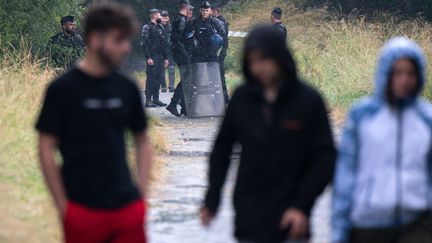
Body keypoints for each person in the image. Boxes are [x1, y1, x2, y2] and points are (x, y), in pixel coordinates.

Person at [200, 25, 336, 243]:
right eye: (252, 61)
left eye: (264, 60)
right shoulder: (242, 99)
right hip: (249, 216)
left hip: (292, 218)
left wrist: (302, 205)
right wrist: (212, 199)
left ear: (279, 57)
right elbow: (221, 150)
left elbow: (325, 157)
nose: (258, 68)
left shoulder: (308, 100)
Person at [36, 3, 152, 243]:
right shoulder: (61, 90)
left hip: (127, 209)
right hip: (81, 210)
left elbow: (143, 140)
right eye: (119, 40)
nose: (126, 48)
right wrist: (63, 206)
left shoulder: (127, 88)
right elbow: (45, 147)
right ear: (96, 39)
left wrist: (141, 198)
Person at [332, 37, 432, 243]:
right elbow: (346, 173)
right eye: (398, 72)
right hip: (368, 223)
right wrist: (340, 226)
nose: (404, 79)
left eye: (411, 73)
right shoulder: (363, 114)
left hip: (417, 222)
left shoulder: (426, 118)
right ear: (386, 73)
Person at [166, 0, 193, 117]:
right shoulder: (182, 19)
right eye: (189, 9)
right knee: (186, 79)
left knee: (186, 79)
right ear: (186, 8)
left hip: (179, 53)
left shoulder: (178, 18)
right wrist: (185, 54)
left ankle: (183, 108)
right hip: (181, 54)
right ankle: (174, 104)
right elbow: (178, 39)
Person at [141, 9, 170, 108]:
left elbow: (164, 44)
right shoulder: (147, 27)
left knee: (158, 78)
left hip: (160, 57)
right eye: (159, 14)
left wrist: (166, 58)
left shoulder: (160, 27)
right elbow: (144, 44)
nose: (161, 16)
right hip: (152, 56)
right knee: (151, 78)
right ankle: (148, 100)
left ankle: (156, 99)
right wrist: (148, 57)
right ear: (153, 15)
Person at [212, 3, 230, 103]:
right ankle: (224, 96)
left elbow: (222, 39)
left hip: (218, 52)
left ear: (215, 11)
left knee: (219, 74)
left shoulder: (219, 22)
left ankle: (224, 97)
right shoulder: (222, 21)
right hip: (220, 52)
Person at [161, 10, 176, 93]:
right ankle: (163, 86)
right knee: (162, 70)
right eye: (163, 18)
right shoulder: (158, 26)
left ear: (168, 18)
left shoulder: (171, 27)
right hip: (161, 51)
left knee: (171, 69)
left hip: (170, 51)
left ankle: (171, 86)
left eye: (166, 18)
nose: (164, 20)